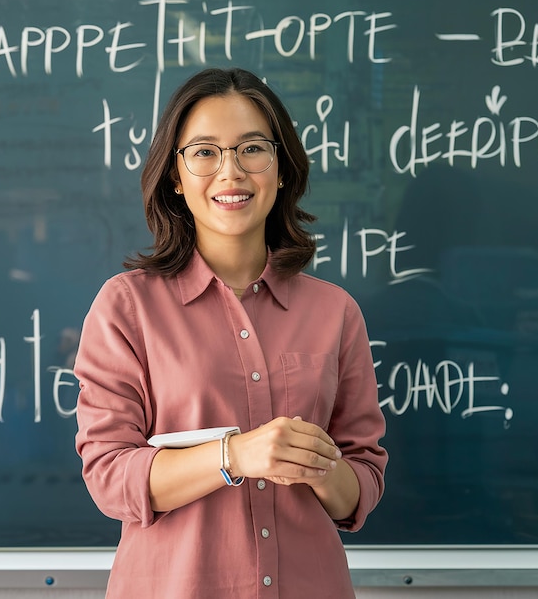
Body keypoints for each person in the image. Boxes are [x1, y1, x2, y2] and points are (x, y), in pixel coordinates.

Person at [74, 67, 388, 599]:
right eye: (203, 152)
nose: (231, 172)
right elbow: (110, 477)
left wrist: (318, 465)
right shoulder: (126, 307)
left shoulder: (335, 312)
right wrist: (234, 456)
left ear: (281, 167)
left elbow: (361, 487)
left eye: (251, 149)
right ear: (176, 175)